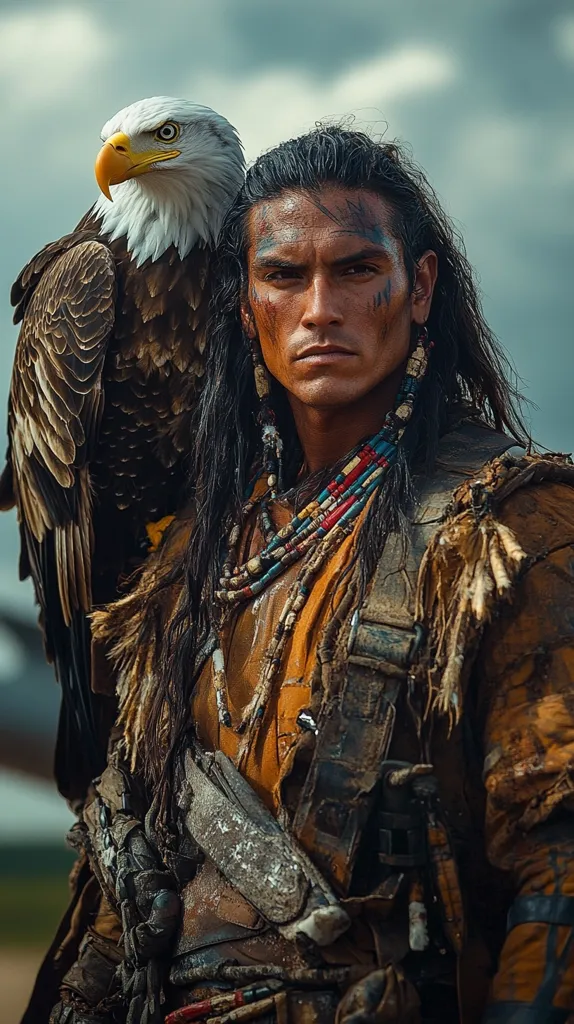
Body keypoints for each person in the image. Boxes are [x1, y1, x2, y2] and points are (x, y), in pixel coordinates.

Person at [30, 127, 574, 1024]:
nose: (321, 308)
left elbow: (560, 863)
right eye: (283, 275)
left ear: (421, 288)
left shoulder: (514, 530)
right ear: (245, 309)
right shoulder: (184, 569)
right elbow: (118, 901)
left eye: (358, 270)